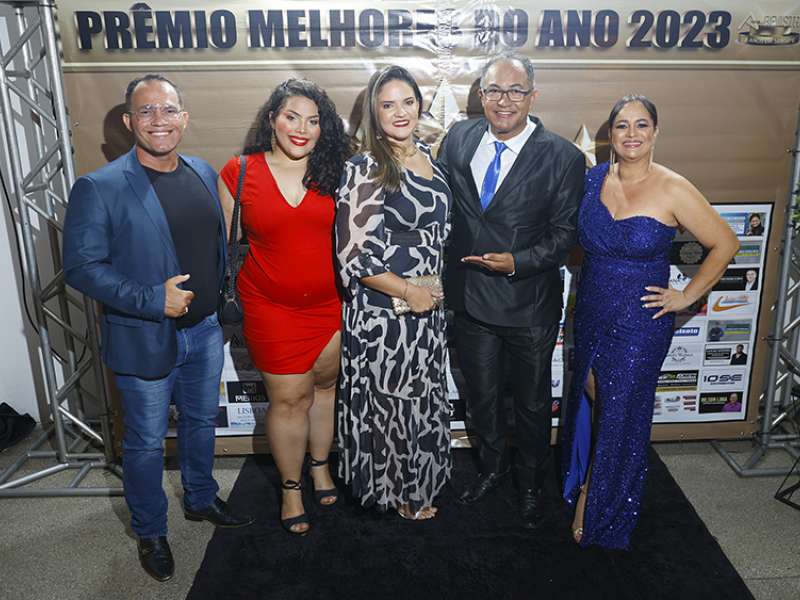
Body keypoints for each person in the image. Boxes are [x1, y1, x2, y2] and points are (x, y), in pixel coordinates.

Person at [62, 74, 253, 582]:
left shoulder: (202, 171)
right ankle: (150, 530)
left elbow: (216, 244)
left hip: (205, 330)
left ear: (184, 117)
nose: (158, 120)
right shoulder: (99, 187)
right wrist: (152, 299)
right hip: (144, 333)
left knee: (199, 422)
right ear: (129, 122)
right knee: (146, 442)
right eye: (146, 111)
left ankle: (200, 497)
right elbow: (81, 267)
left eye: (168, 110)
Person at [561, 94, 739, 549]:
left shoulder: (673, 187)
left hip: (641, 322)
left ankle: (597, 499)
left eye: (642, 125)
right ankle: (594, 475)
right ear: (611, 134)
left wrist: (687, 295)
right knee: (595, 397)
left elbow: (725, 243)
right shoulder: (593, 179)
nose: (632, 134)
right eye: (622, 125)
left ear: (656, 132)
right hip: (592, 309)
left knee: (622, 411)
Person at [436, 52, 585, 529]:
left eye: (516, 91)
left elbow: (565, 235)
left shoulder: (563, 157)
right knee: (481, 399)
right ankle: (491, 470)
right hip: (470, 301)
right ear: (481, 96)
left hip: (529, 305)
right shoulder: (458, 138)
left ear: (532, 96)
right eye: (494, 91)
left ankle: (530, 486)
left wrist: (517, 262)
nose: (504, 101)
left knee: (532, 404)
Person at [218, 80, 351, 535]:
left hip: (331, 305)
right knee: (289, 399)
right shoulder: (239, 171)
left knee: (325, 391)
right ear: (272, 119)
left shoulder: (337, 171)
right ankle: (292, 489)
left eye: (313, 121)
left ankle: (320, 467)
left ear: (323, 129)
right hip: (270, 307)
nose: (301, 129)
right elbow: (222, 244)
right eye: (292, 117)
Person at [335, 65, 452, 520]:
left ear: (420, 105)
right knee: (391, 401)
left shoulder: (429, 157)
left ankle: (419, 485)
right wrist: (407, 290)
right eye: (388, 104)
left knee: (422, 397)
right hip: (384, 311)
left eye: (407, 101)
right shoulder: (365, 166)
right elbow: (353, 255)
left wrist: (426, 294)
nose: (400, 112)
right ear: (374, 111)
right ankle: (398, 491)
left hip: (426, 306)